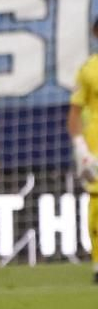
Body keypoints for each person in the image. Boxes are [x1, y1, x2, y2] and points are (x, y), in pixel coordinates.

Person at [66, 18, 98, 285]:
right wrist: (80, 148)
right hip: (96, 145)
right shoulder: (88, 70)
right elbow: (74, 113)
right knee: (96, 203)